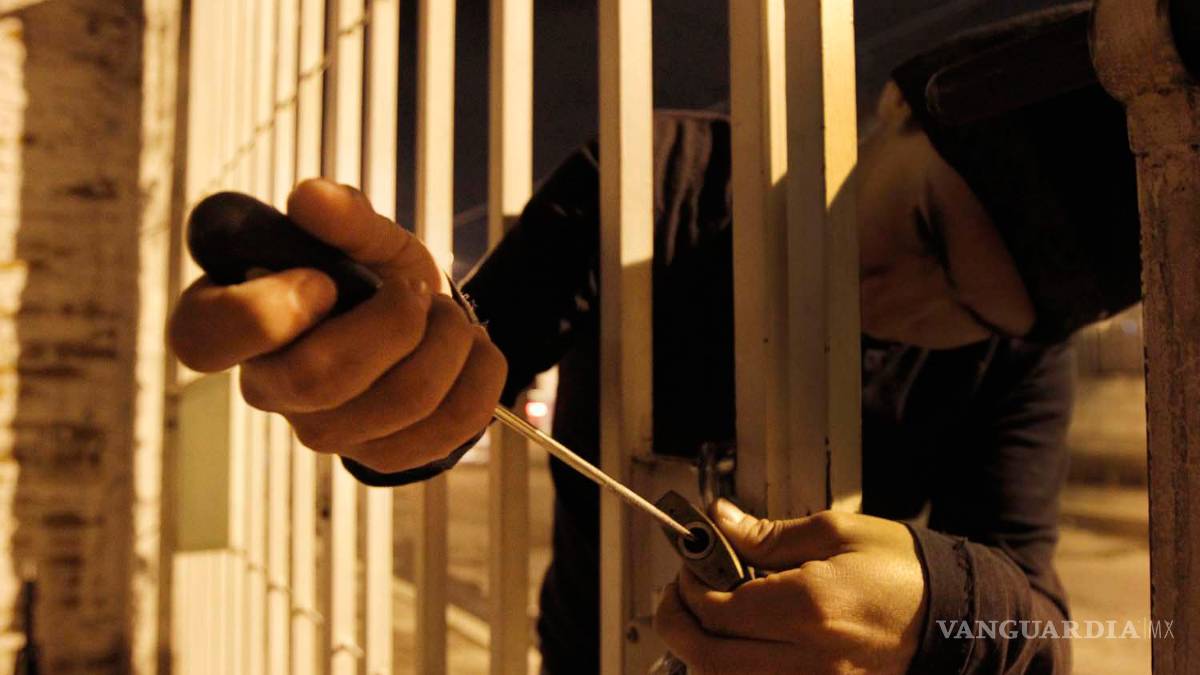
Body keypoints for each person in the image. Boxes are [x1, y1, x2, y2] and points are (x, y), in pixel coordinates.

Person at [168, 5, 1140, 674]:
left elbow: (1040, 622)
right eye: (925, 230)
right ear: (896, 107)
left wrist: (938, 611)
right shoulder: (655, 181)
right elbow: (461, 378)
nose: (896, 299)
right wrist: (392, 373)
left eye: (968, 314)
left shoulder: (1020, 354)